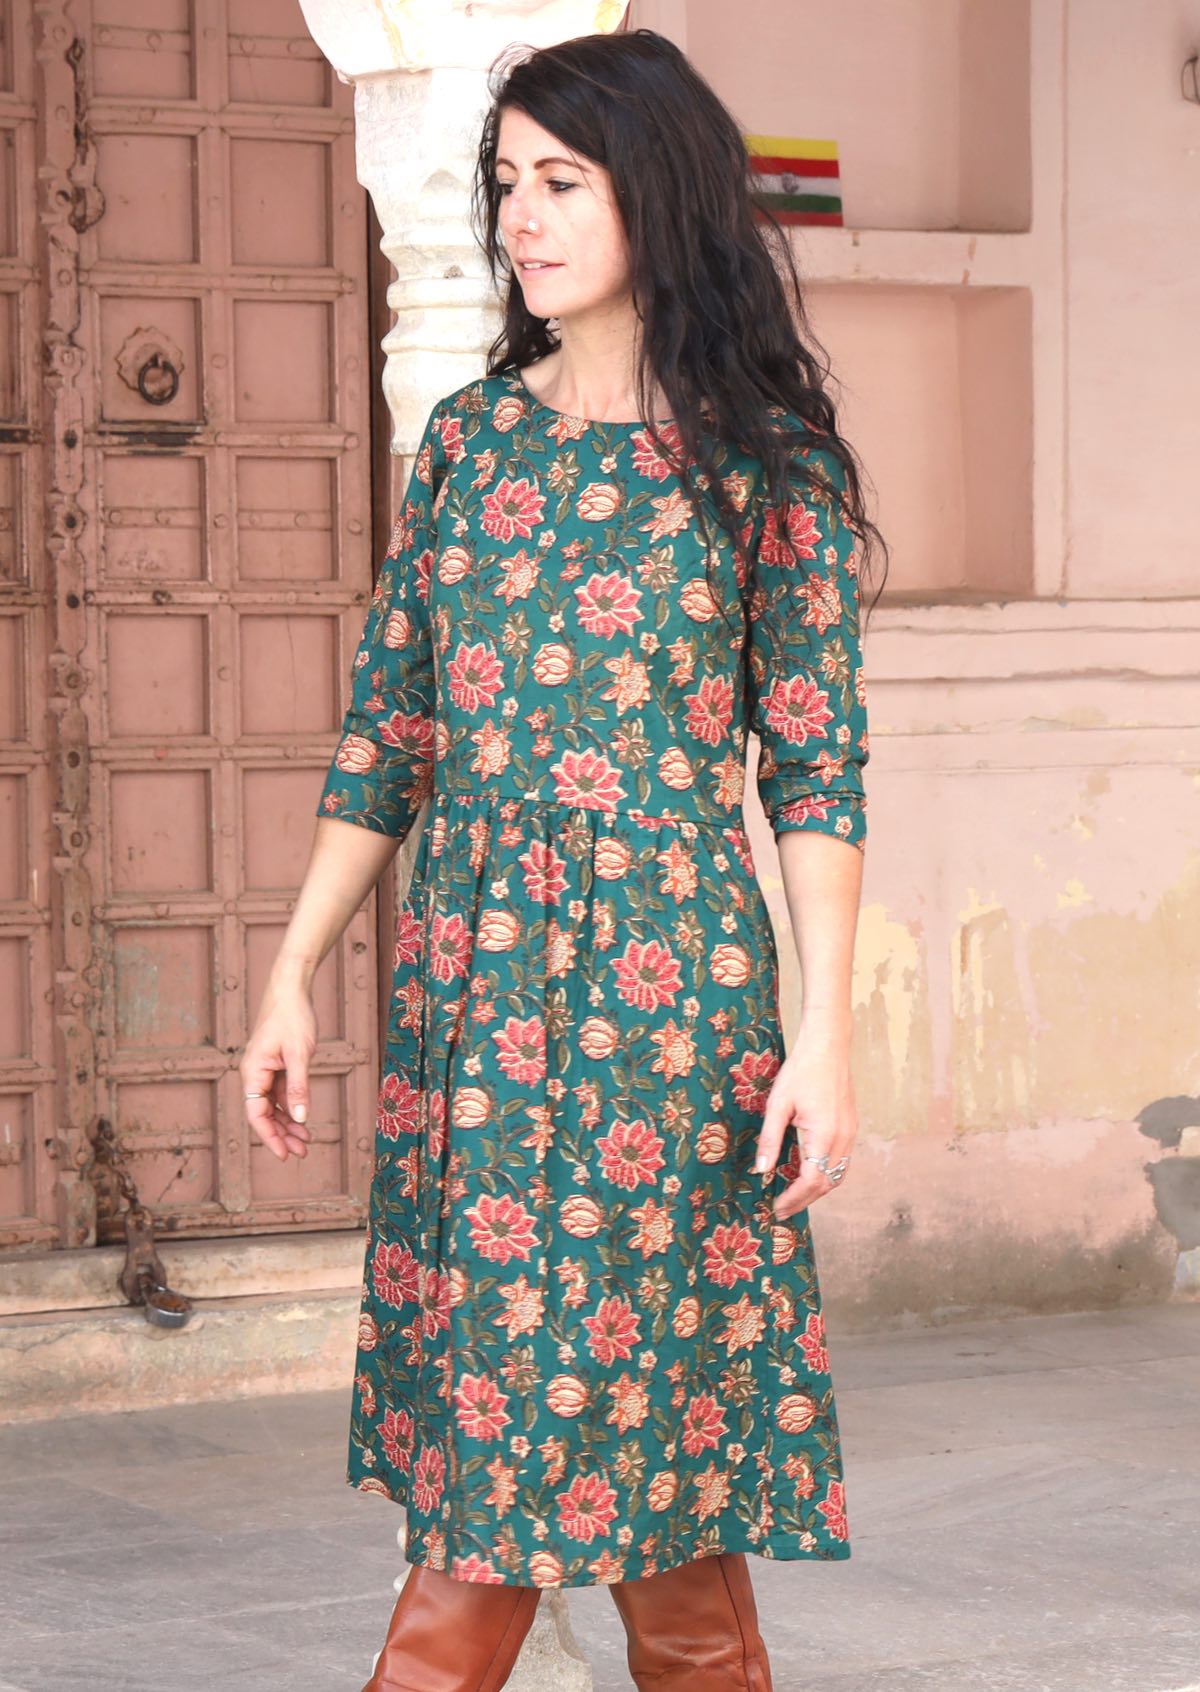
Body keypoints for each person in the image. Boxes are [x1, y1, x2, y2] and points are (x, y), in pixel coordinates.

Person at [239, 27, 887, 1692]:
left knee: (573, 1424)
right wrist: (294, 970)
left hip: (670, 1012)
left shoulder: (763, 466)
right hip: (471, 1010)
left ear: (652, 197)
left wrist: (827, 1031)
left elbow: (814, 769)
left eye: (561, 182)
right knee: (570, 1424)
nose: (520, 218)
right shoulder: (467, 446)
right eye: (508, 182)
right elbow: (390, 733)